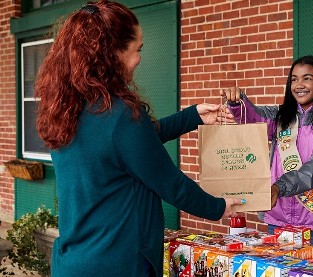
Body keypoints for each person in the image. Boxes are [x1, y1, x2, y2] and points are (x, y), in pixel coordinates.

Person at [34, 1, 243, 276]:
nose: (139, 59)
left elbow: (128, 146)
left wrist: (191, 117)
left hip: (71, 261)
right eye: (137, 49)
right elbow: (170, 183)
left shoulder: (66, 109)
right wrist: (218, 207)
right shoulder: (120, 116)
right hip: (116, 264)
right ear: (112, 54)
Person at [221, 55, 313, 256]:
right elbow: (254, 118)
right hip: (278, 220)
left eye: (307, 78)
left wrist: (279, 187)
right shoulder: (280, 116)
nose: (299, 85)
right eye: (294, 79)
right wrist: (238, 103)